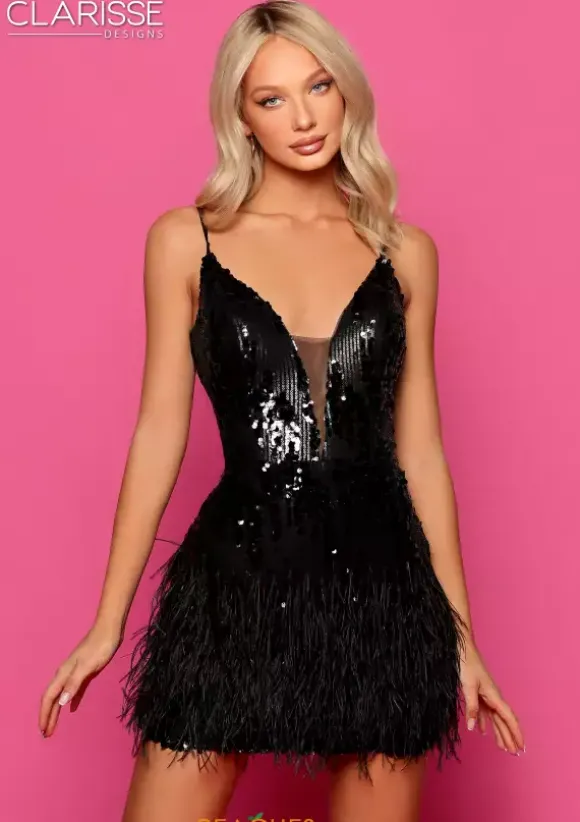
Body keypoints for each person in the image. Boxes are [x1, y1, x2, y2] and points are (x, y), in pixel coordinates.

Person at [38, 1, 525, 820]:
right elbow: (158, 433)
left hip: (382, 594)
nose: (303, 118)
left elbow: (423, 454)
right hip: (234, 585)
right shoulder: (185, 240)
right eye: (272, 98)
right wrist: (106, 623)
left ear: (347, 91)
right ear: (241, 117)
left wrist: (464, 643)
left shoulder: (406, 253)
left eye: (319, 86)